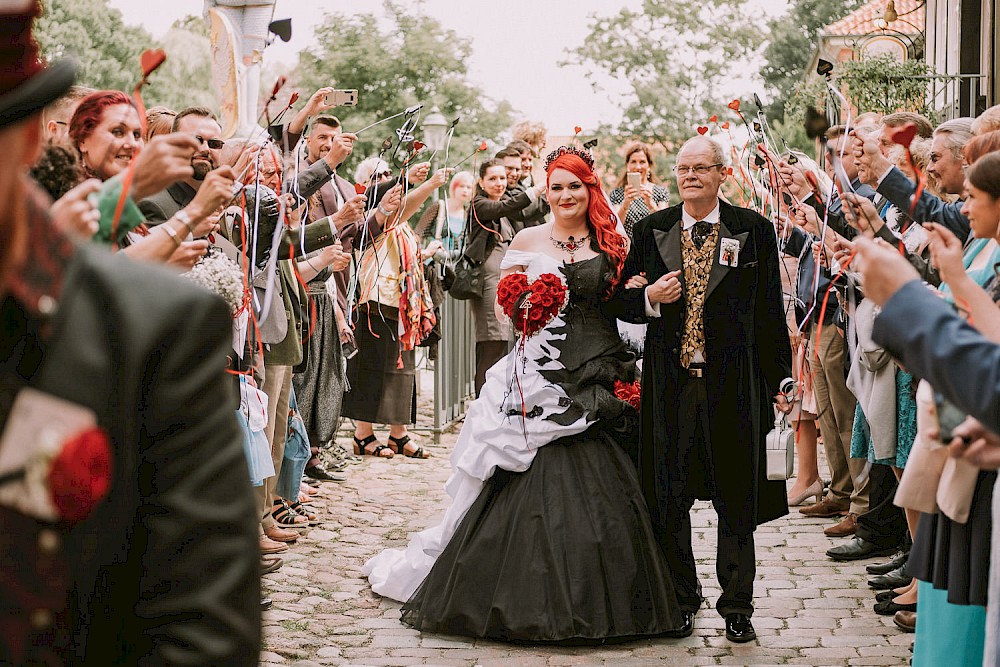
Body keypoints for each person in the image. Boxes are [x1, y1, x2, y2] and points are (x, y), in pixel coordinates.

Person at [0, 3, 260, 662]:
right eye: (117, 131)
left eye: (133, 132)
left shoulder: (147, 333)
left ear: (29, 136)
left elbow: (201, 627)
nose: (128, 143)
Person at [363, 145, 686, 642]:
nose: (565, 196)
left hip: (599, 366)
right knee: (520, 471)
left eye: (574, 186)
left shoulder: (613, 238)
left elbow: (623, 302)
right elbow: (507, 308)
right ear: (547, 191)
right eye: (556, 187)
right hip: (540, 369)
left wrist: (647, 297)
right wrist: (530, 307)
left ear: (589, 187)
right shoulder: (529, 237)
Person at [609, 135, 793, 643]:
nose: (690, 176)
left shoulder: (752, 230)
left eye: (700, 168)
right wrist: (649, 296)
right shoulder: (652, 229)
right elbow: (621, 304)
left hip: (734, 385)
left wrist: (781, 377)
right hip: (670, 385)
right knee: (668, 495)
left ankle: (737, 605)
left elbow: (768, 311)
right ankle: (681, 599)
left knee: (737, 496)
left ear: (721, 174)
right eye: (683, 168)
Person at [343, 162, 444, 459]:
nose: (385, 181)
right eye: (377, 178)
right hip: (371, 299)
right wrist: (427, 184)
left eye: (388, 174)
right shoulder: (369, 217)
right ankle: (363, 434)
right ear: (363, 186)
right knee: (370, 369)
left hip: (401, 302)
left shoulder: (399, 222)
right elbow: (402, 208)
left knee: (402, 370)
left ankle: (399, 434)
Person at [463, 158, 546, 395]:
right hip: (488, 281)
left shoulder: (503, 208)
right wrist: (537, 188)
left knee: (502, 344)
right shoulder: (480, 204)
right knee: (491, 343)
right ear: (481, 181)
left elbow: (525, 211)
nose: (499, 183)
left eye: (501, 178)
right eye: (492, 178)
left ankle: (496, 401)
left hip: (503, 282)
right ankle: (482, 403)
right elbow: (507, 207)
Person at [608, 141, 670, 237]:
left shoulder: (661, 192)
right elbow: (614, 226)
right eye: (633, 162)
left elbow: (665, 225)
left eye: (642, 162)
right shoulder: (617, 193)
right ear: (627, 165)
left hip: (652, 248)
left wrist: (650, 204)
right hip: (627, 248)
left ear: (649, 165)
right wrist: (625, 205)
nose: (638, 167)